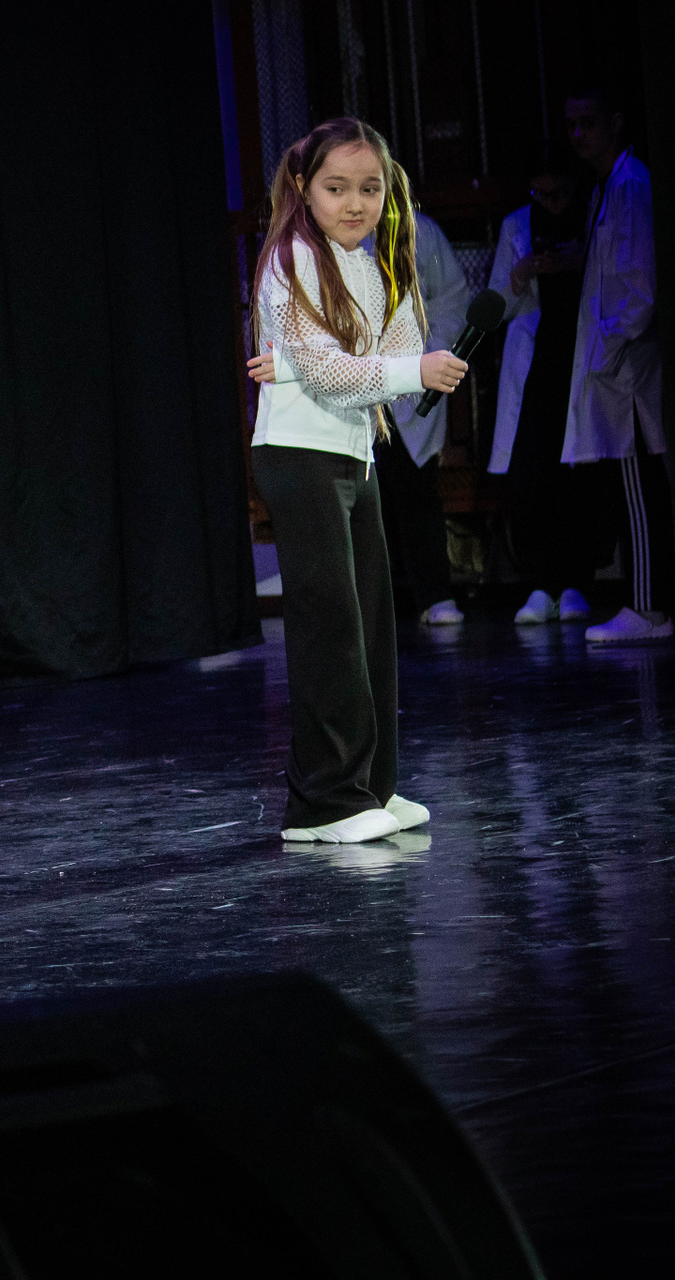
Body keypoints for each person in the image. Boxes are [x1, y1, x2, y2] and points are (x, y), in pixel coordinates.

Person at [243, 117, 465, 844]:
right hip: (299, 454)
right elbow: (342, 372)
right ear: (303, 188)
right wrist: (386, 367)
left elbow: (384, 353)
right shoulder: (293, 258)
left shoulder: (368, 265)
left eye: (370, 189)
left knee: (370, 625)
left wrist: (368, 355)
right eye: (336, 187)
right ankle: (324, 803)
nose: (355, 203)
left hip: (353, 455)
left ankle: (371, 785)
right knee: (329, 630)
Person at [562, 89, 669, 644]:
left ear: (616, 122)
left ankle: (648, 608)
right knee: (634, 480)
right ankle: (646, 604)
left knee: (638, 482)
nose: (579, 134)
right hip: (617, 360)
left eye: (589, 122)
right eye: (572, 124)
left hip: (627, 363)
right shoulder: (607, 186)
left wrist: (608, 345)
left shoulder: (631, 184)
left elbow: (640, 282)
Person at [486, 145, 604, 625]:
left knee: (578, 474)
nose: (549, 203)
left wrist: (579, 263)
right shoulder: (517, 225)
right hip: (536, 363)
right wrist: (519, 276)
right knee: (532, 472)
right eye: (540, 193)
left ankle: (576, 582)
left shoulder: (593, 214)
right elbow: (496, 306)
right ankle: (540, 584)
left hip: (584, 356)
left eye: (557, 194)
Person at [376, 209, 470, 626]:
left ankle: (434, 594)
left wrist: (429, 352)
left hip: (413, 375)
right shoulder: (333, 229)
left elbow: (452, 300)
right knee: (364, 496)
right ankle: (375, 606)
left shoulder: (421, 231)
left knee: (416, 486)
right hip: (357, 378)